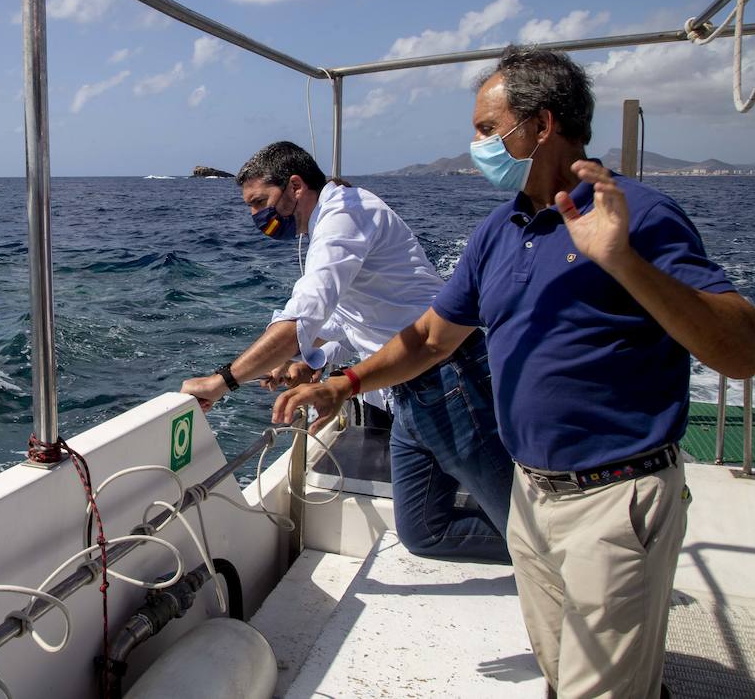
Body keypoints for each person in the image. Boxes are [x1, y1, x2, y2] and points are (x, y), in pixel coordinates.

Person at [273, 46, 755, 699]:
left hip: (614, 499)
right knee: (563, 672)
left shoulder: (640, 215)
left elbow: (740, 349)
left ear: (542, 125)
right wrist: (344, 382)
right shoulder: (497, 233)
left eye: (485, 129)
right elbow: (430, 339)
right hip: (531, 494)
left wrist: (621, 262)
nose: (476, 144)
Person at [181, 140, 514, 563]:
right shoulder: (330, 221)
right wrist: (307, 359)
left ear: (295, 186)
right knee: (425, 532)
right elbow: (351, 317)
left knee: (521, 521)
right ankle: (541, 552)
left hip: (450, 379)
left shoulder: (343, 216)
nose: (256, 216)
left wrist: (221, 381)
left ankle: (563, 560)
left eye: (259, 202)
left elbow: (302, 318)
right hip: (407, 391)